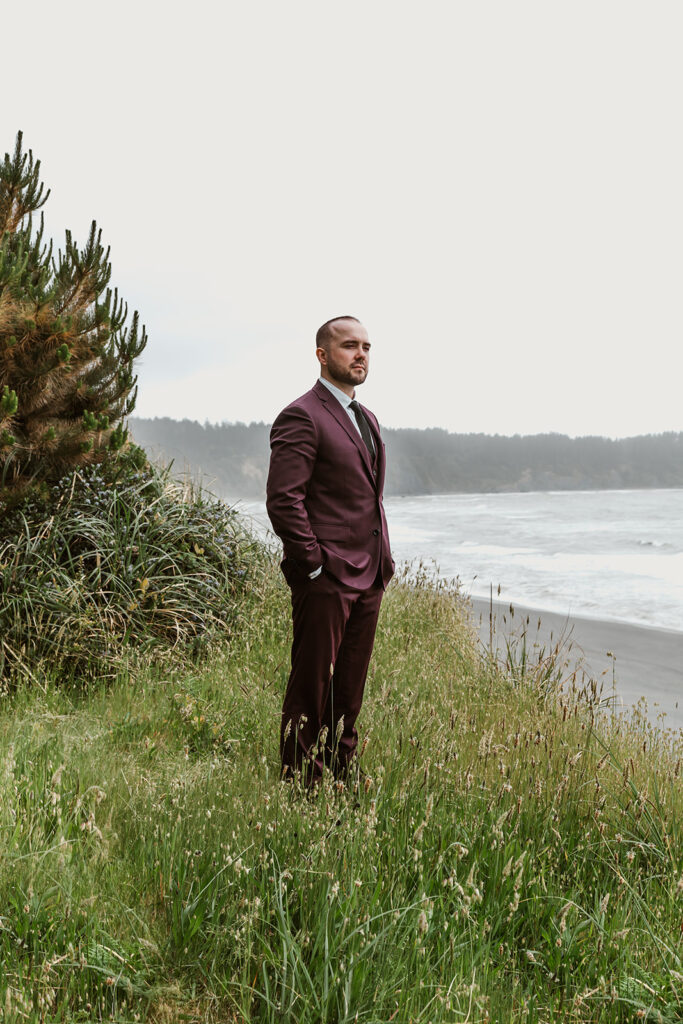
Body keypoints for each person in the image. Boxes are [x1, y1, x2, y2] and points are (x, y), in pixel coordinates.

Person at [266, 315, 394, 782]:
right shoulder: (303, 414)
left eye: (366, 347)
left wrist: (384, 561)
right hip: (327, 578)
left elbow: (365, 496)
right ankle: (299, 775)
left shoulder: (366, 418)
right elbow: (284, 499)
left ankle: (341, 768)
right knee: (312, 682)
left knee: (351, 686)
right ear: (323, 355)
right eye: (348, 346)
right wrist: (314, 565)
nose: (360, 354)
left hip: (370, 575)